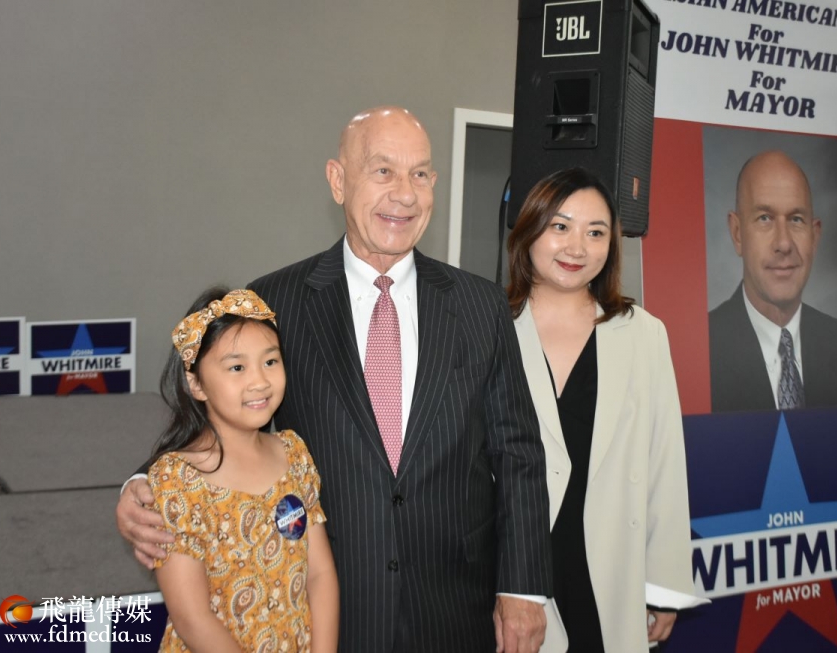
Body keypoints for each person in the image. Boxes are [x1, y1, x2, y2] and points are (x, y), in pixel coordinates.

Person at [117, 107, 553, 653]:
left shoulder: (479, 304)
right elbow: (224, 412)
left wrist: (523, 588)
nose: (405, 194)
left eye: (420, 174)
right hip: (329, 611)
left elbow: (518, 451)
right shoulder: (274, 302)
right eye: (383, 171)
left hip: (456, 607)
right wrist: (142, 485)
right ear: (338, 180)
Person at [507, 168, 698, 652]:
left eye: (596, 233)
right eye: (560, 226)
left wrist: (663, 586)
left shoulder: (642, 334)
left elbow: (664, 464)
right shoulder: (489, 326)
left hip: (609, 568)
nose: (577, 247)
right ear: (530, 229)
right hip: (514, 574)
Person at [148, 287, 338, 653]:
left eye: (271, 361)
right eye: (237, 367)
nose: (260, 381)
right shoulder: (177, 479)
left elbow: (320, 574)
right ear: (196, 384)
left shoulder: (294, 453)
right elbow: (191, 618)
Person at [709, 150, 837, 413]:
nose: (784, 243)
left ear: (814, 236)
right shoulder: (701, 348)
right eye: (765, 218)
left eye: (796, 220)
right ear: (737, 234)